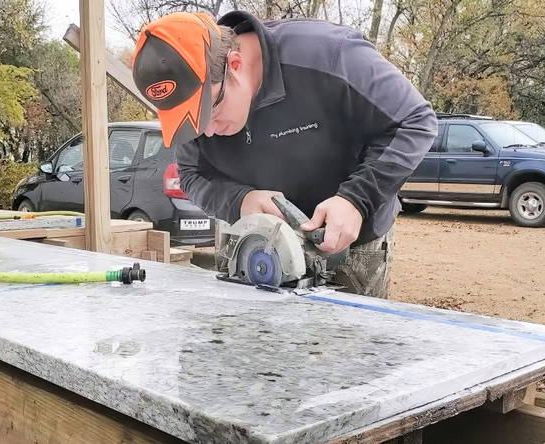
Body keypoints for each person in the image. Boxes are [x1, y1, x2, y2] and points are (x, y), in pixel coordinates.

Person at [131, 11, 437, 298]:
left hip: (348, 242)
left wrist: (358, 199)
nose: (206, 133)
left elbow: (415, 121)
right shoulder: (194, 104)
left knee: (351, 348)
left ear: (234, 65)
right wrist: (240, 201)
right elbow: (191, 174)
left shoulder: (329, 55)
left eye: (210, 112)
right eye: (192, 125)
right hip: (257, 245)